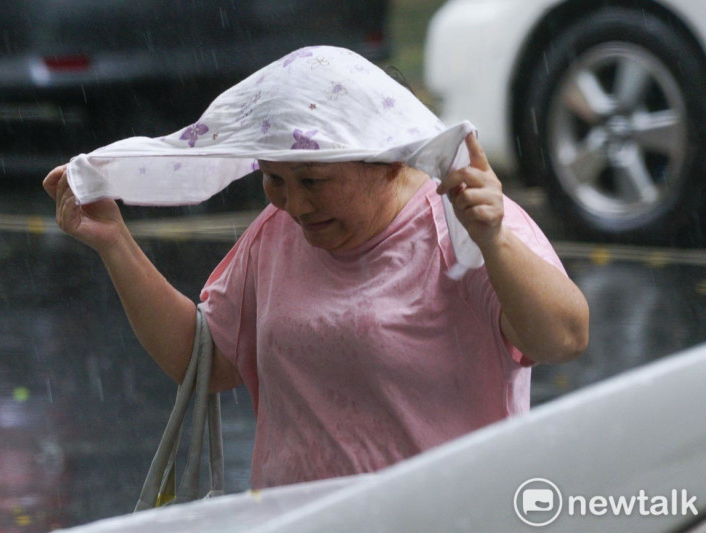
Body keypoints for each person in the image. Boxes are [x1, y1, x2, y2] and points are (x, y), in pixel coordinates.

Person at [43, 46, 589, 490]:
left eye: (313, 180)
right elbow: (205, 361)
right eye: (275, 179)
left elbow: (563, 336)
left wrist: (492, 239)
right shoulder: (276, 235)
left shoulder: (465, 223)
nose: (295, 205)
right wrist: (116, 244)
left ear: (388, 159)